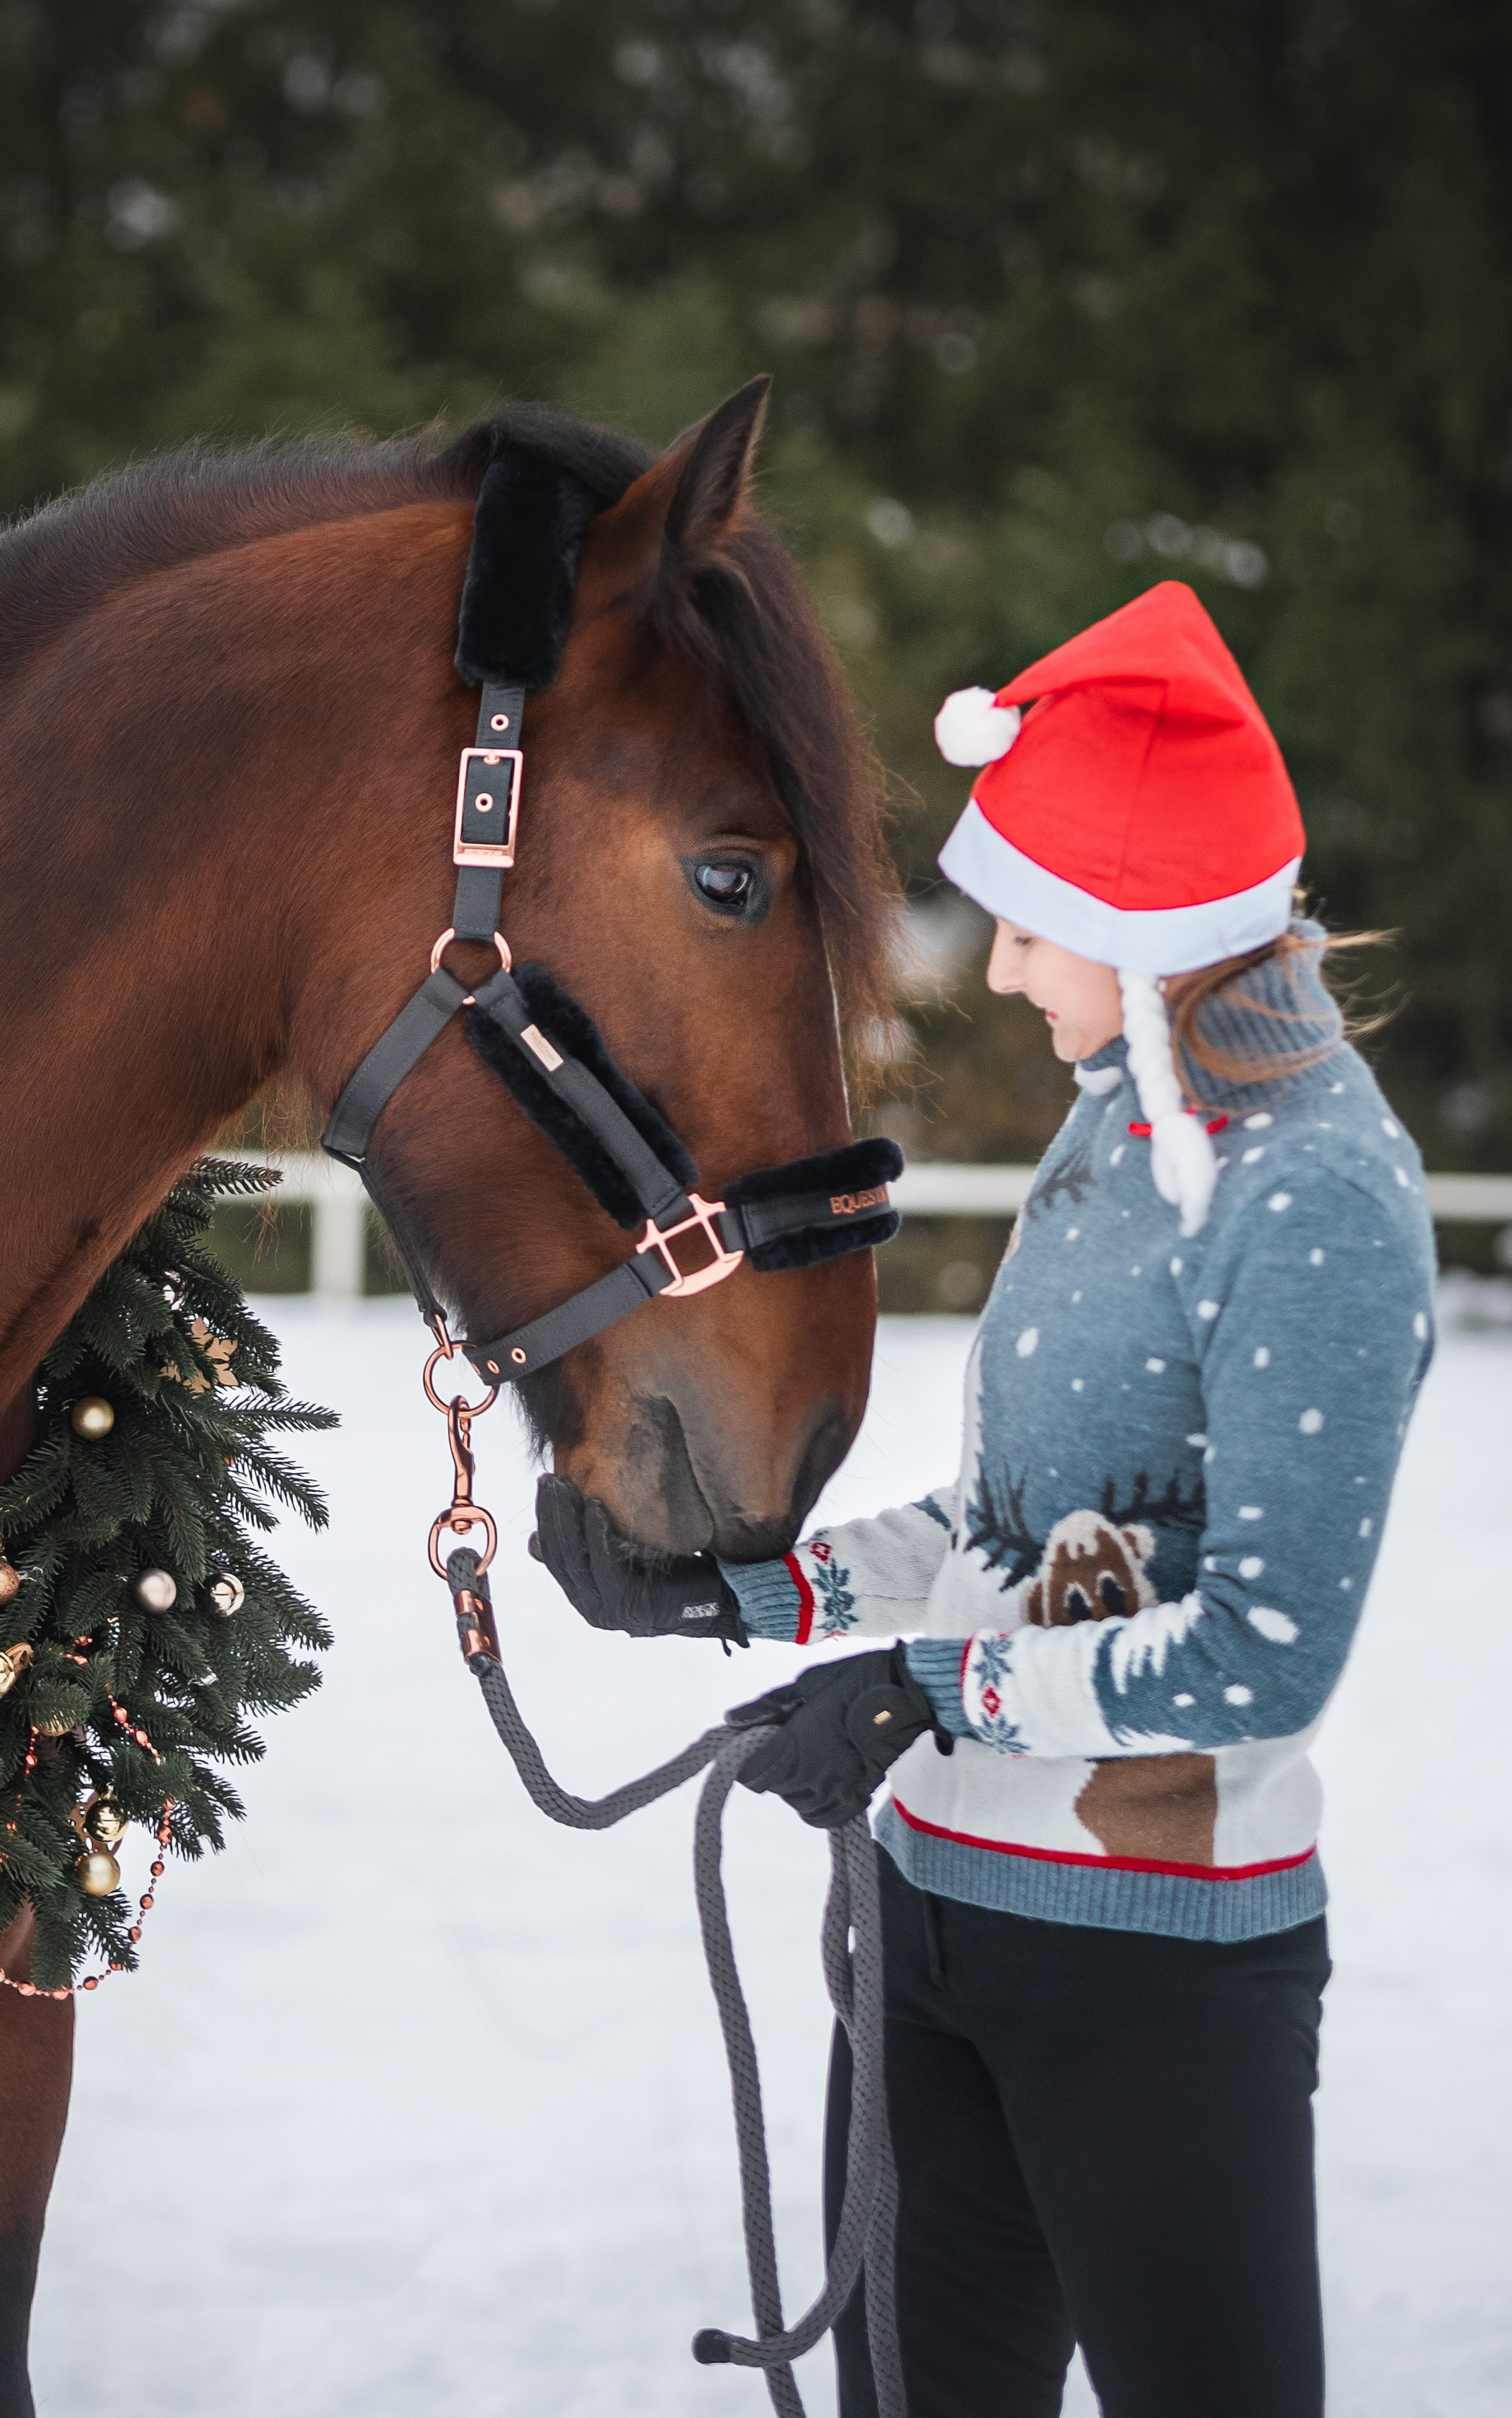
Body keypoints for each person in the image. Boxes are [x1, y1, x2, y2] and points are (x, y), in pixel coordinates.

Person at [533, 580, 1435, 2418]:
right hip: (927, 1922)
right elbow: (1010, 1532)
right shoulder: (1124, 1116)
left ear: (1145, 917)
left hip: (1150, 1983)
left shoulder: (1315, 1199)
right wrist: (733, 1596)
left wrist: (922, 1694)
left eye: (1030, 926)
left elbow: (1264, 1651)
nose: (1005, 971)